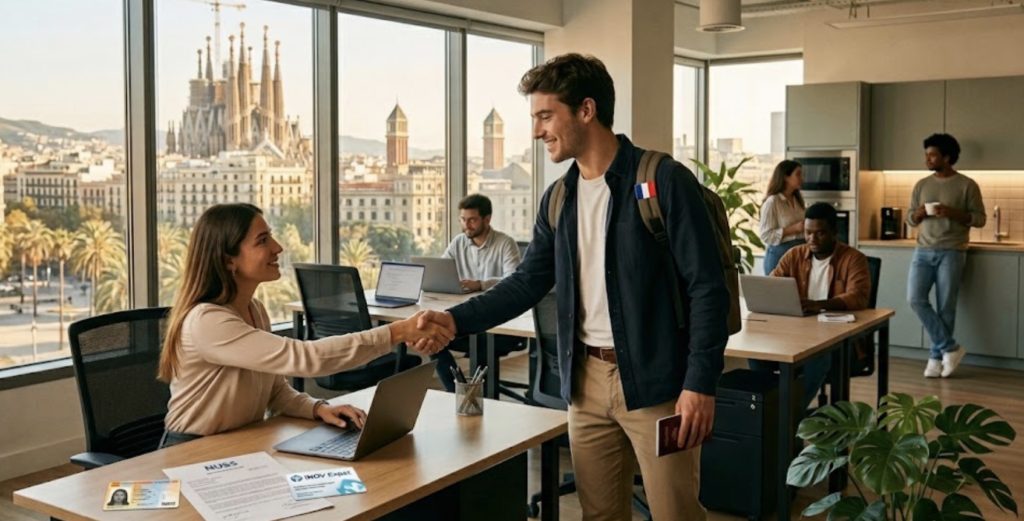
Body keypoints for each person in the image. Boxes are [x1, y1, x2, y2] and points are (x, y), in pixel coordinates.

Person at [415, 53, 729, 521]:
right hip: (584, 385)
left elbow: (708, 289)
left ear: (586, 110)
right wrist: (454, 320)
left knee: (675, 515)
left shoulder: (662, 181)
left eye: (545, 116)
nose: (537, 131)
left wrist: (699, 384)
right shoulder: (559, 198)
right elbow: (526, 283)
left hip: (659, 383)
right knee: (598, 515)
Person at [157, 204, 453, 448]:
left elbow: (274, 391)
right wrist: (397, 332)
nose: (278, 247)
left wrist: (317, 408)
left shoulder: (254, 310)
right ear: (228, 260)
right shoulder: (207, 321)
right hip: (190, 450)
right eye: (262, 241)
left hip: (237, 443)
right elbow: (304, 358)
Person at [756, 202, 871, 411]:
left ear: (834, 232)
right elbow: (772, 285)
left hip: (838, 342)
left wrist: (818, 305)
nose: (812, 239)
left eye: (820, 234)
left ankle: (789, 417)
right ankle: (771, 411)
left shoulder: (854, 259)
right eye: (808, 233)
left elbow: (858, 297)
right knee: (757, 355)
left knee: (817, 359)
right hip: (796, 336)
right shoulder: (794, 255)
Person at [906, 133, 986, 378]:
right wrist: (917, 215)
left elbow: (980, 219)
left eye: (932, 155)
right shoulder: (921, 184)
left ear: (948, 157)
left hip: (952, 251)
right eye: (927, 155)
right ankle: (950, 348)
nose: (927, 159)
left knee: (946, 308)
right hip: (923, 250)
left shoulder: (967, 185)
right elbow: (910, 217)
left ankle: (935, 359)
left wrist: (953, 213)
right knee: (915, 299)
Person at [433, 194, 523, 391]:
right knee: (432, 335)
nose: (466, 225)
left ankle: (483, 397)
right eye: (463, 220)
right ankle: (458, 390)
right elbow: (442, 269)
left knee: (482, 343)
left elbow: (515, 281)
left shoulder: (505, 243)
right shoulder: (459, 242)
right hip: (468, 317)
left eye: (472, 220)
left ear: (487, 219)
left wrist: (481, 284)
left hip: (499, 322)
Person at [759, 159, 806, 274]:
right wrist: (793, 229)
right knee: (777, 291)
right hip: (779, 256)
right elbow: (766, 235)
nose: (802, 178)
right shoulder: (772, 202)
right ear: (786, 177)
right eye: (798, 174)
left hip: (800, 254)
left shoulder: (797, 200)